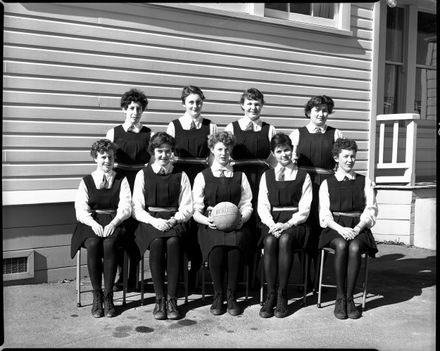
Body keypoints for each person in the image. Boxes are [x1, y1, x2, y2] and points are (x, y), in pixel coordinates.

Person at [132, 132, 193, 320]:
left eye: (167, 151)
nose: (164, 155)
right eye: (160, 151)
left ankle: (172, 298)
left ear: (172, 152)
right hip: (150, 220)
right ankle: (159, 298)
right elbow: (136, 208)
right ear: (153, 151)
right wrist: (153, 220)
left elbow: (188, 207)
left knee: (173, 241)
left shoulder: (181, 175)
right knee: (157, 241)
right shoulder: (143, 174)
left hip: (174, 219)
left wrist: (174, 220)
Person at [192, 131, 253, 316]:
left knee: (235, 248)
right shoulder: (203, 176)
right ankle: (218, 295)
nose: (223, 152)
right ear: (212, 150)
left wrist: (242, 219)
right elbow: (196, 209)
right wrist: (206, 220)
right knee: (217, 248)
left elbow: (247, 203)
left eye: (227, 149)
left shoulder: (240, 176)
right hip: (211, 226)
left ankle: (232, 295)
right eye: (219, 149)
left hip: (236, 225)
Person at [71, 139, 132, 318]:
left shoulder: (121, 180)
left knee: (109, 244)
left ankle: (108, 296)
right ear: (95, 159)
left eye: (110, 157)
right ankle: (97, 294)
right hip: (92, 220)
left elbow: (126, 206)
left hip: (115, 219)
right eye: (103, 157)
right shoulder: (86, 181)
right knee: (93, 243)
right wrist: (93, 224)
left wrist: (114, 223)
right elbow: (80, 209)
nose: (107, 160)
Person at [318, 138, 378, 320]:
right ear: (336, 158)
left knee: (354, 247)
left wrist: (358, 227)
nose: (350, 160)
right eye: (345, 156)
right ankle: (339, 298)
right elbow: (325, 215)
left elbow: (371, 209)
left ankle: (350, 299)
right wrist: (341, 229)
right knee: (342, 245)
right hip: (335, 228)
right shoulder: (327, 183)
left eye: (353, 156)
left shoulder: (364, 181)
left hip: (358, 227)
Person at [289, 95, 343, 289]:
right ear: (309, 112)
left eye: (325, 110)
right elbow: (290, 163)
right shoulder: (297, 134)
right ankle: (304, 274)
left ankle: (318, 275)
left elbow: (341, 164)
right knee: (305, 227)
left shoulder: (336, 134)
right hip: (304, 184)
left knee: (322, 228)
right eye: (317, 110)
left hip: (327, 185)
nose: (321, 114)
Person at [166, 85, 218, 289]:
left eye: (198, 102)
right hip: (180, 176)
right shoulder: (174, 125)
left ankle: (197, 270)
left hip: (201, 176)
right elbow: (168, 156)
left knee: (198, 222)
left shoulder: (210, 126)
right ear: (183, 104)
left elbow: (213, 158)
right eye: (191, 102)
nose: (195, 106)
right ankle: (178, 273)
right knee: (182, 222)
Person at [257, 133, 312, 318]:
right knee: (271, 241)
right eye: (279, 151)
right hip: (272, 221)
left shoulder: (303, 175)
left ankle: (282, 294)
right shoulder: (267, 175)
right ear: (273, 153)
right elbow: (263, 205)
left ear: (292, 150)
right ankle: (271, 294)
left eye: (287, 150)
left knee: (285, 239)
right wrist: (273, 224)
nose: (284, 154)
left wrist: (287, 224)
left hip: (295, 222)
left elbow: (305, 209)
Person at [224, 88, 277, 279]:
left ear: (262, 106)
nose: (253, 107)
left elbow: (274, 159)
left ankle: (254, 274)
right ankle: (237, 273)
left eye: (257, 104)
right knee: (239, 221)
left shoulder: (269, 129)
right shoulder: (231, 128)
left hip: (261, 180)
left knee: (258, 222)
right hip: (239, 179)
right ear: (242, 105)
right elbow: (223, 156)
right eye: (249, 103)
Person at [105, 88, 152, 291]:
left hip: (139, 183)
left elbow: (151, 162)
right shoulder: (113, 132)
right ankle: (118, 275)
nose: (135, 112)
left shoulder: (148, 134)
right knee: (120, 228)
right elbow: (106, 161)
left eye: (138, 109)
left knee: (136, 231)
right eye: (131, 108)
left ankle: (132, 276)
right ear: (124, 109)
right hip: (119, 182)